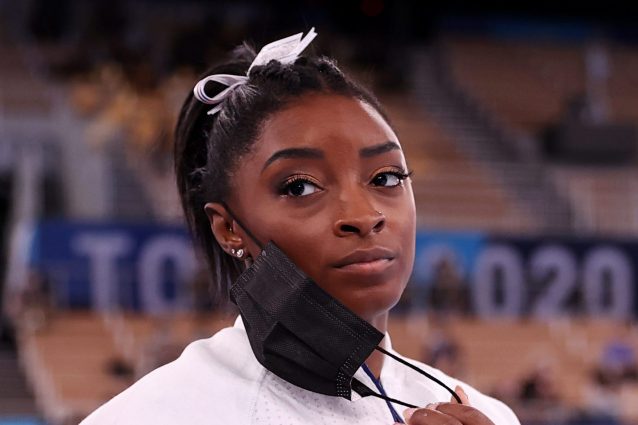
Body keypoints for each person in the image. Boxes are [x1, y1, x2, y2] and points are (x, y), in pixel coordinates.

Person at [81, 29, 519, 425]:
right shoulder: (152, 416)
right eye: (300, 187)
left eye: (386, 178)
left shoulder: (488, 414)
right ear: (229, 228)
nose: (363, 216)